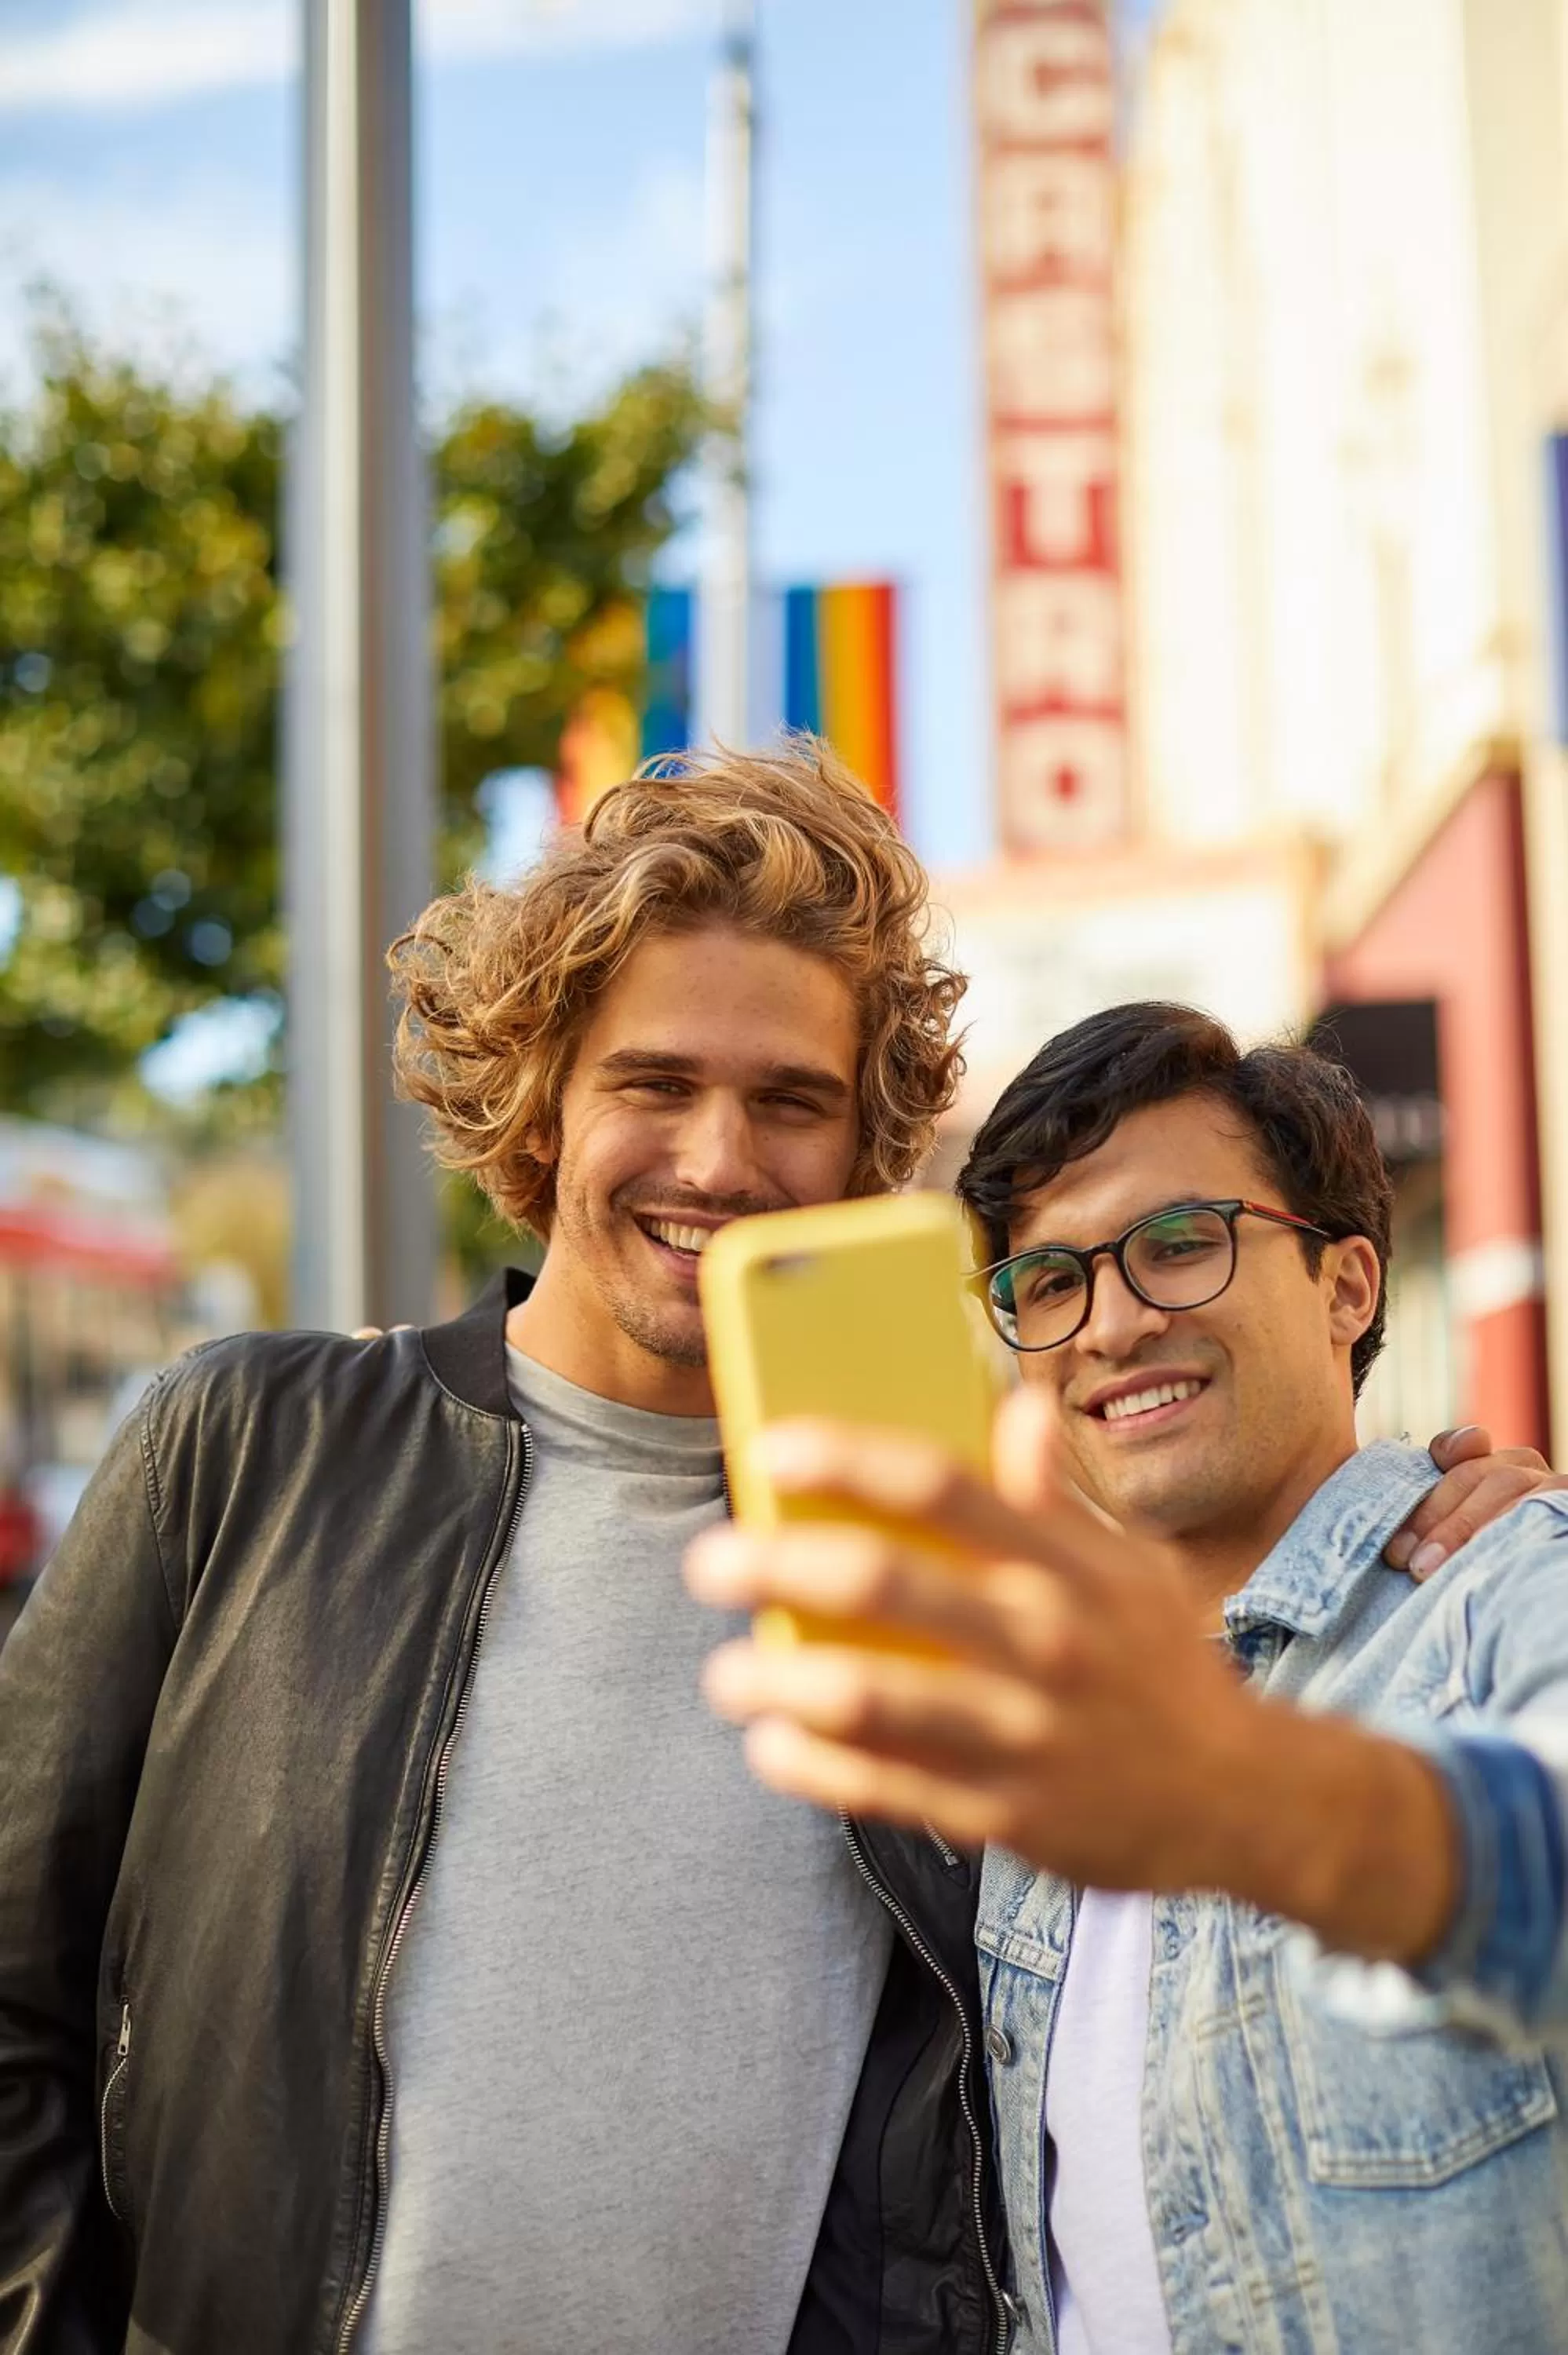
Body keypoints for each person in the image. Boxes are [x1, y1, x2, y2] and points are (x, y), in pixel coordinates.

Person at [0, 768, 1537, 2355]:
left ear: (865, 1145)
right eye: (653, 1084)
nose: (722, 1161)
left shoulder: (948, 1543)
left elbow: (1238, 1564)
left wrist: (1416, 1488)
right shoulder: (248, 1447)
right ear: (543, 1103)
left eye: (791, 1101)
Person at [689, 1000, 1568, 2355]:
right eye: (1047, 1283)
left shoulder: (1510, 1591)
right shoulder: (1029, 1715)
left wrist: (1247, 1796)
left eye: (1177, 1246)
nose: (1106, 1324)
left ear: (1348, 1285)